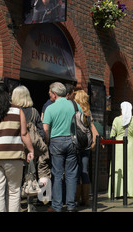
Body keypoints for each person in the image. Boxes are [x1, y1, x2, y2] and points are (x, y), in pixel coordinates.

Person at [42, 82, 81, 212]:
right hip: (73, 141)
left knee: (57, 174)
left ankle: (57, 206)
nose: (49, 95)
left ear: (54, 94)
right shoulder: (75, 105)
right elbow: (84, 122)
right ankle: (71, 205)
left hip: (56, 142)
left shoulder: (50, 108)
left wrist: (48, 141)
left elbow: (45, 129)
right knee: (71, 174)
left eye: (49, 93)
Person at [0, 83, 34, 212]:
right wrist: (31, 150)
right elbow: (24, 133)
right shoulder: (18, 110)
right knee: (14, 191)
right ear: (8, 94)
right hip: (14, 157)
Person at [11, 85, 51, 210]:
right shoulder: (34, 111)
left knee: (16, 175)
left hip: (17, 147)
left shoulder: (13, 112)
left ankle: (15, 202)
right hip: (32, 148)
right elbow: (40, 131)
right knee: (34, 173)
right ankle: (42, 199)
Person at [109, 102, 133, 198]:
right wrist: (131, 138)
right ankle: (131, 191)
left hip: (118, 145)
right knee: (130, 168)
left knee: (118, 167)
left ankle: (117, 191)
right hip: (130, 145)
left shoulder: (117, 120)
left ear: (121, 109)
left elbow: (112, 135)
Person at [73, 90, 99, 206]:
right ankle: (86, 200)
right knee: (84, 171)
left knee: (76, 172)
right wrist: (94, 141)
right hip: (86, 145)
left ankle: (76, 199)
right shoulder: (88, 113)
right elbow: (92, 128)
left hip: (75, 145)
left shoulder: (73, 111)